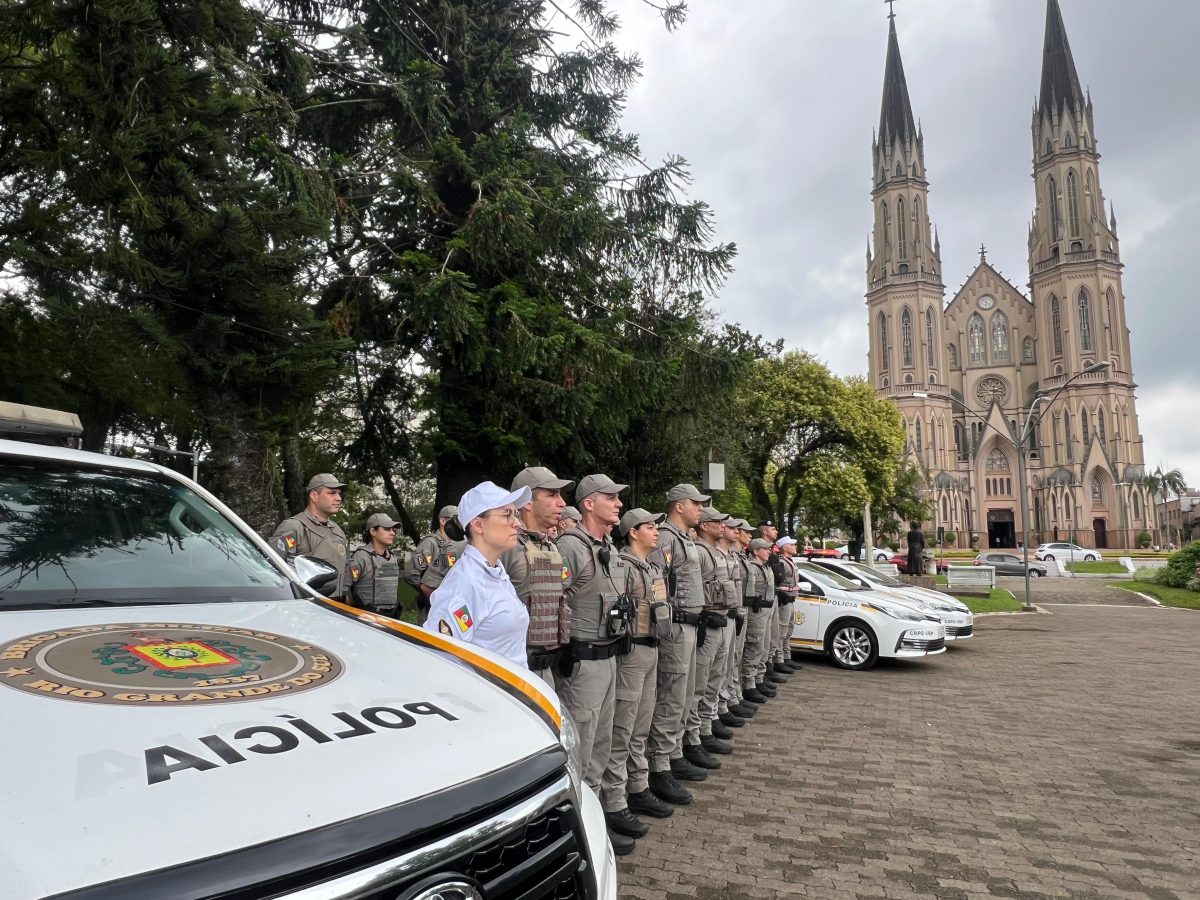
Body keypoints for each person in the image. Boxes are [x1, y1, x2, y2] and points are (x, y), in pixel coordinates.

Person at [555, 473, 634, 856]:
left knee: (600, 748)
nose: (618, 503)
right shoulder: (570, 546)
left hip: (610, 657)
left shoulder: (609, 546)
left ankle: (595, 823)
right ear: (589, 503)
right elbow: (551, 597)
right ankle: (576, 836)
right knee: (581, 750)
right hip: (583, 662)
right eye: (611, 498)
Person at [602, 507, 674, 842]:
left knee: (641, 726)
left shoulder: (651, 565)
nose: (656, 532)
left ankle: (639, 786)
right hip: (631, 652)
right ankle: (614, 801)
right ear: (633, 532)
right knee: (623, 727)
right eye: (650, 527)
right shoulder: (623, 565)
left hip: (651, 648)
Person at [645, 483, 710, 807]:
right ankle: (658, 765)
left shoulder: (685, 538)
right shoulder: (667, 537)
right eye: (695, 503)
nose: (701, 509)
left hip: (690, 625)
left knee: (684, 694)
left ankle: (672, 753)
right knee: (671, 696)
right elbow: (657, 581)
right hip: (677, 627)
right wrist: (666, 625)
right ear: (679, 506)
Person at [423, 482, 531, 667]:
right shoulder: (464, 584)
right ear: (478, 524)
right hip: (488, 692)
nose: (517, 523)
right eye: (507, 515)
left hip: (508, 690)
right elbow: (440, 660)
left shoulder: (495, 572)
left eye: (516, 514)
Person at [499, 466, 574, 684]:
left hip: (547, 670)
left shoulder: (550, 545)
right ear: (527, 502)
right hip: (514, 671)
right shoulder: (506, 547)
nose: (562, 503)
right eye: (552, 494)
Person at [685, 506, 734, 768]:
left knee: (714, 678)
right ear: (705, 526)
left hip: (719, 621)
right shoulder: (700, 552)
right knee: (699, 685)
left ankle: (705, 727)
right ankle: (694, 737)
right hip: (705, 624)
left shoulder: (715, 552)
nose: (723, 527)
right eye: (717, 522)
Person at [272, 473, 350, 598]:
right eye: (332, 493)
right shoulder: (294, 527)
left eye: (339, 493)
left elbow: (345, 569)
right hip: (307, 606)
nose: (338, 498)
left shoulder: (337, 531)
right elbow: (273, 570)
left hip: (337, 606)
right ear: (314, 495)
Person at [406, 505, 459, 622]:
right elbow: (411, 573)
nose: (458, 524)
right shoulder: (430, 543)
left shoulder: (454, 544)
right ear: (443, 521)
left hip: (449, 606)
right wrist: (428, 593)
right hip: (432, 607)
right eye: (455, 520)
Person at [740, 538, 777, 703]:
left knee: (763, 646)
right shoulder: (751, 568)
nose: (768, 551)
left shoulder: (765, 567)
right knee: (755, 646)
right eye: (765, 549)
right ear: (756, 551)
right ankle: (749, 683)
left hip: (766, 611)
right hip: (757, 612)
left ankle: (759, 678)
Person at [349, 513, 402, 615]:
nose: (392, 533)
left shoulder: (392, 558)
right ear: (373, 531)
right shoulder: (361, 557)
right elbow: (345, 589)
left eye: (392, 529)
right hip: (367, 620)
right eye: (387, 529)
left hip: (392, 618)